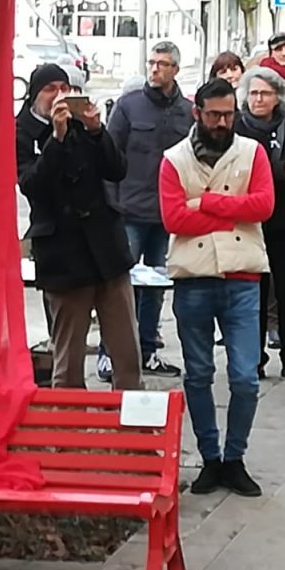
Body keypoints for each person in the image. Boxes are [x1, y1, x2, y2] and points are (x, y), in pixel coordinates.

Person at [159, 77, 273, 497]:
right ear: (197, 113)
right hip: (194, 277)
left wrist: (206, 203)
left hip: (243, 276)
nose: (223, 122)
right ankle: (210, 457)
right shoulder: (174, 159)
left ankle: (235, 456)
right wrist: (233, 215)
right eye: (214, 114)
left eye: (228, 114)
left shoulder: (253, 152)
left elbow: (264, 206)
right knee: (199, 372)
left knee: (245, 376)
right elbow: (172, 219)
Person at [16, 64, 141, 390]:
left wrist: (97, 130)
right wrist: (56, 139)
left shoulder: (81, 123)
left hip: (106, 249)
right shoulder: (21, 132)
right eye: (50, 89)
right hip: (63, 255)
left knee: (126, 350)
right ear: (35, 94)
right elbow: (33, 184)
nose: (59, 95)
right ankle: (68, 428)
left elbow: (116, 169)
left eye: (64, 87)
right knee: (68, 358)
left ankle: (132, 427)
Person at [102, 40, 193, 380]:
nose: (155, 68)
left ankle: (148, 350)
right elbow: (109, 155)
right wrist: (111, 203)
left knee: (156, 285)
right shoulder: (128, 106)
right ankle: (111, 353)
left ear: (175, 69)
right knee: (120, 286)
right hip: (129, 210)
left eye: (163, 63)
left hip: (168, 214)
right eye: (152, 62)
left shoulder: (187, 111)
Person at [234, 67, 285, 379]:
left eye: (264, 93)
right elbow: (242, 169)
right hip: (249, 220)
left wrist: (275, 170)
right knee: (253, 293)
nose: (258, 99)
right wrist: (278, 170)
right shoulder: (237, 126)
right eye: (253, 93)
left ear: (278, 98)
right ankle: (253, 358)